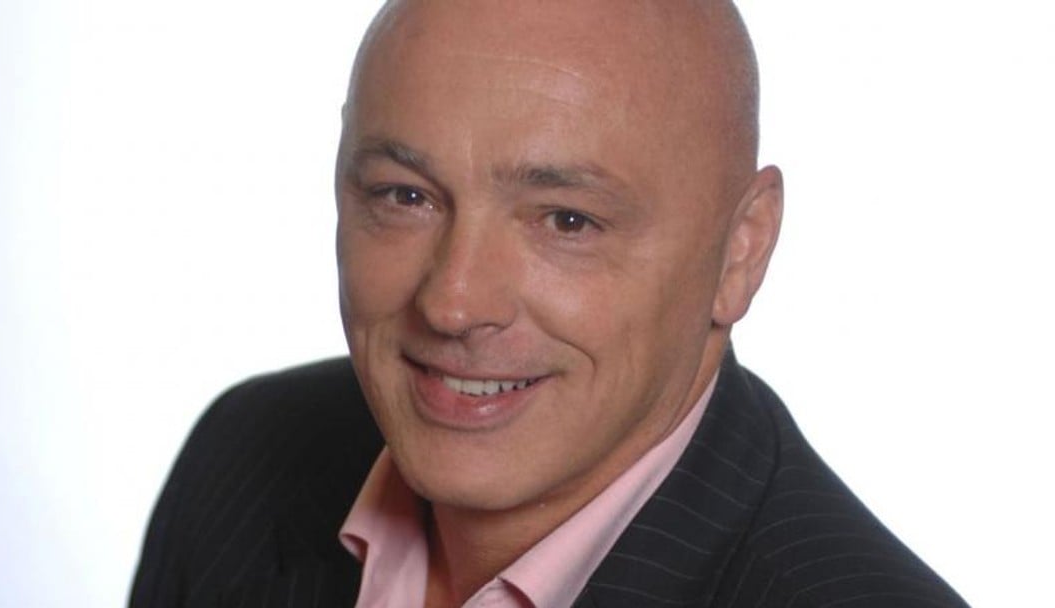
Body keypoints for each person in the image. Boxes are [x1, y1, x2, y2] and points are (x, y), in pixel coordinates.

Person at [130, 1, 969, 606]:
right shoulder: (244, 455)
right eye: (404, 196)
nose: (453, 303)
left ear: (740, 249)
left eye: (567, 220)